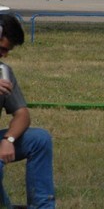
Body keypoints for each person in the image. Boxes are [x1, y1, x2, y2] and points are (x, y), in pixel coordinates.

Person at [0, 14, 56, 208]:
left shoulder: (4, 72)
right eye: (2, 49)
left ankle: (42, 206)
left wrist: (9, 140)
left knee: (40, 139)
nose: (4, 55)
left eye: (7, 51)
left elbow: (22, 114)